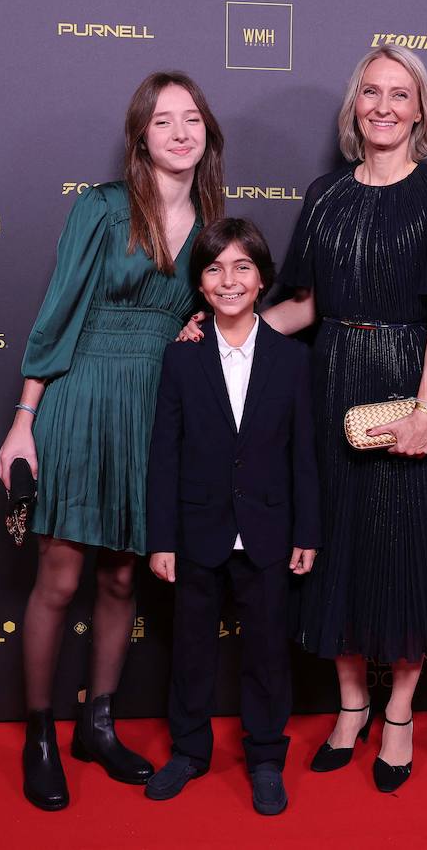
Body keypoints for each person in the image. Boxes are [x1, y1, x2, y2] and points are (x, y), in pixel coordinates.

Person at [0, 71, 225, 811]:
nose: (180, 133)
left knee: (124, 577)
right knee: (60, 580)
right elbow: (58, 310)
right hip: (82, 397)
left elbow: (222, 307)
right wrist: (24, 421)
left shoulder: (214, 217)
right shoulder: (100, 207)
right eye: (164, 122)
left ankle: (97, 723)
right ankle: (39, 734)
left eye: (192, 119)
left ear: (207, 134)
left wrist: (197, 325)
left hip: (155, 409)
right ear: (140, 137)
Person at [271, 45, 427, 793]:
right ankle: (350, 705)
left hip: (407, 383)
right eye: (370, 93)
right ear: (354, 105)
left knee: (405, 549)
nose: (383, 106)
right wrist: (225, 325)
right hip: (333, 384)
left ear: (420, 109)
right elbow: (305, 305)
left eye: (400, 93)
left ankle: (399, 714)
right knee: (340, 547)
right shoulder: (326, 193)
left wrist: (425, 410)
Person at [143, 218, 320, 816]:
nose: (229, 279)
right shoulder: (181, 359)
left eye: (242, 267)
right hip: (197, 530)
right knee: (191, 648)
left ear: (264, 278)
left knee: (268, 652)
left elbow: (305, 453)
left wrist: (307, 531)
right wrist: (161, 537)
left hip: (269, 530)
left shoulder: (293, 361)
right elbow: (163, 454)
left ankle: (266, 757)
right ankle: (190, 751)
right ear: (199, 284)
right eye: (215, 268)